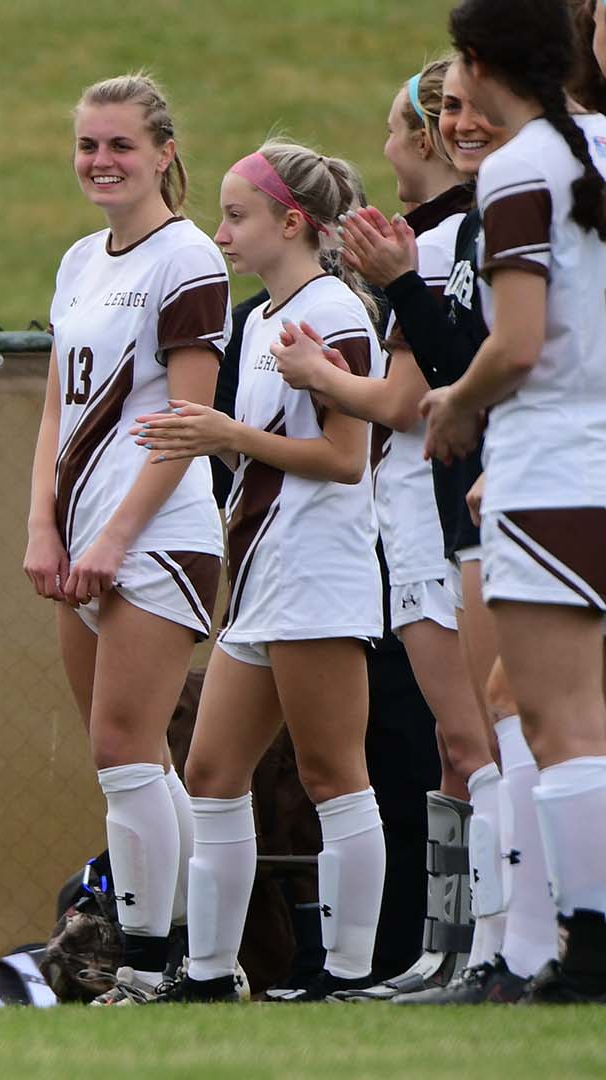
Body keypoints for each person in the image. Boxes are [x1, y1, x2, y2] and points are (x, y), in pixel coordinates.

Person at [268, 59, 504, 998]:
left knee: (477, 736)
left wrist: (322, 380)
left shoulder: (445, 241)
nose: (391, 147)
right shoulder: (443, 236)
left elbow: (409, 403)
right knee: (461, 746)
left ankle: (490, 946)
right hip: (423, 513)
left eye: (402, 127)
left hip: (440, 509)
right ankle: (454, 950)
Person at [136, 140, 388, 1003]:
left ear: (292, 223)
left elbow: (347, 457)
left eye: (237, 216)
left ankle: (347, 977)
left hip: (316, 571)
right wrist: (227, 440)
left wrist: (226, 436)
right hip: (260, 579)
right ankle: (209, 974)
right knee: (210, 771)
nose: (221, 232)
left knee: (332, 773)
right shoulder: (261, 320)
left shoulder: (335, 315)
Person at [24, 72, 228, 1004]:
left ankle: (146, 969)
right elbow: (58, 413)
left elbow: (191, 421)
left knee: (123, 748)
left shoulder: (188, 260)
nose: (100, 162)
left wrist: (115, 537)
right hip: (83, 540)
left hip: (158, 535)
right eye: (88, 146)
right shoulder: (79, 261)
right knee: (136, 761)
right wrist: (46, 527)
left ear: (164, 153)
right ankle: (190, 961)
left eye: (120, 146)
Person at [420, 0, 606, 1004]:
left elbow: (520, 341)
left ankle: (587, 950)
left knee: (561, 723)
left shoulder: (521, 169)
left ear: (483, 63)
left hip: (556, 466)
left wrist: (456, 404)